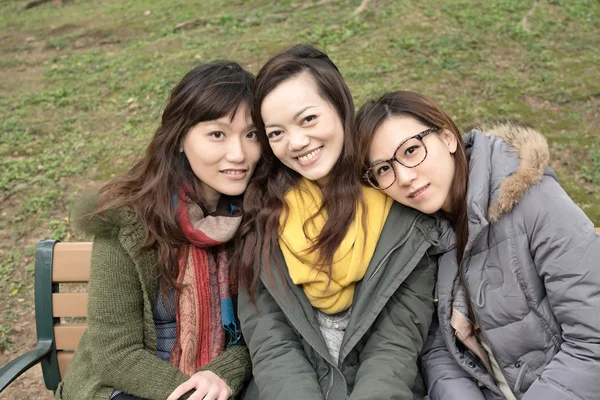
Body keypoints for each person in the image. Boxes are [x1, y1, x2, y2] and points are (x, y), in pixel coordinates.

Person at [354, 90, 600, 400]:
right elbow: (438, 348)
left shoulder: (535, 202)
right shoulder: (421, 234)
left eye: (411, 150)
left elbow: (593, 343)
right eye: (384, 169)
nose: (403, 176)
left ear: (447, 138)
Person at [232, 45, 439, 400]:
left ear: (341, 107)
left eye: (308, 119)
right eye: (276, 133)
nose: (296, 142)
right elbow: (270, 338)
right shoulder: (263, 210)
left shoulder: (399, 202)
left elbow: (396, 342)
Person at [56, 61, 262, 400]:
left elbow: (263, 331)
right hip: (125, 387)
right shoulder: (127, 221)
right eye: (217, 134)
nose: (239, 154)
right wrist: (192, 394)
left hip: (222, 387)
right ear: (180, 139)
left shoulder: (260, 217)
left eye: (251, 134)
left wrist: (222, 375)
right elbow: (116, 354)